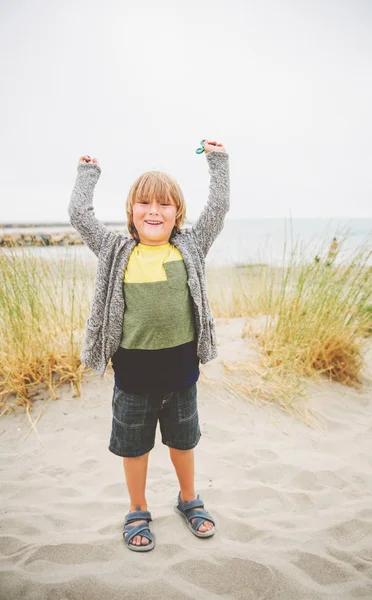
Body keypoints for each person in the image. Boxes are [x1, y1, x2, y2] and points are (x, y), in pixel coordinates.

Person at [68, 140, 229, 552]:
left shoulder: (190, 246)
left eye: (164, 205)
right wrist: (88, 174)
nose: (154, 211)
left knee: (183, 443)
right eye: (144, 204)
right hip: (133, 378)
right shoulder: (115, 250)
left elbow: (219, 207)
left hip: (182, 376)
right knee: (134, 448)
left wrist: (218, 161)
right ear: (131, 212)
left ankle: (189, 499)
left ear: (178, 214)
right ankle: (137, 508)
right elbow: (79, 215)